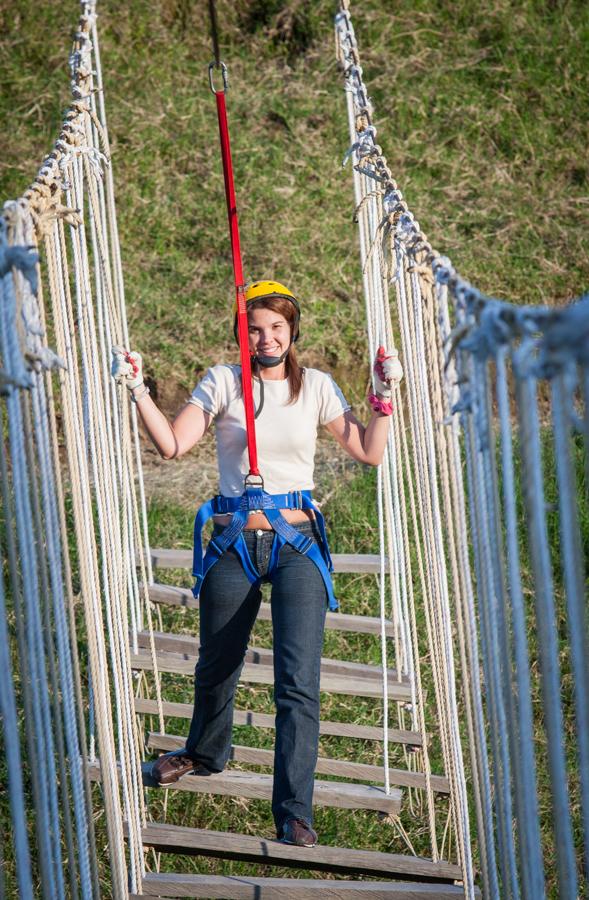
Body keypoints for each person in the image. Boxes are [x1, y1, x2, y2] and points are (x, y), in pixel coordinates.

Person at [112, 280, 403, 848]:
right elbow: (172, 445)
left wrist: (383, 399)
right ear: (241, 334)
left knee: (298, 685)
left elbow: (369, 451)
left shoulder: (315, 386)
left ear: (292, 330)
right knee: (217, 664)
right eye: (255, 328)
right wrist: (138, 390)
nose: (266, 338)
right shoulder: (224, 381)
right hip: (233, 545)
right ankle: (203, 752)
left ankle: (293, 809)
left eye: (277, 327)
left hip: (297, 547)